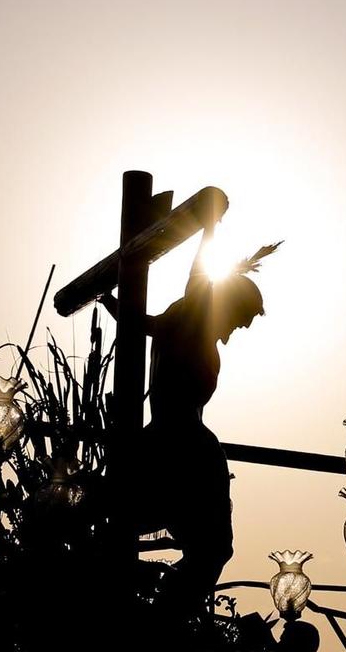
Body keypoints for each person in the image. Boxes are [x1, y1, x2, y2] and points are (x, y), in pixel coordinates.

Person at [107, 236, 275, 614]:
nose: (239, 330)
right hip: (183, 445)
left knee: (205, 546)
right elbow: (197, 274)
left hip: (171, 441)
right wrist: (210, 224)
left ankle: (166, 605)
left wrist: (114, 305)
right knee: (213, 546)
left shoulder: (182, 322)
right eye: (241, 319)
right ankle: (164, 612)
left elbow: (138, 322)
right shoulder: (194, 318)